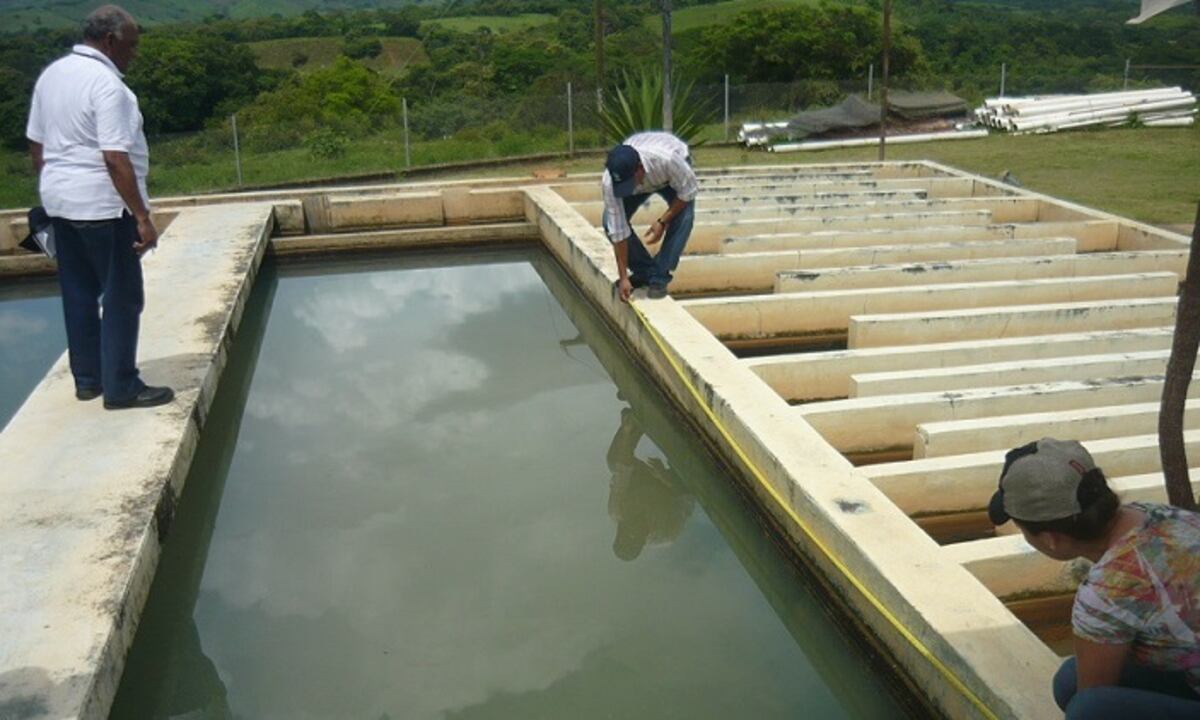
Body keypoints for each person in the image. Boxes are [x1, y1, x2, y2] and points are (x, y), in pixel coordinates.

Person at [987, 438, 1200, 719]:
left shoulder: (1106, 591)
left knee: (1089, 709)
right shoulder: (1155, 514)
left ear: (1051, 539)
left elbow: (1094, 696)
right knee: (1069, 679)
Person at [26, 5, 173, 409]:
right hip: (103, 209)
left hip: (61, 204)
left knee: (79, 293)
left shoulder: (53, 75)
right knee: (123, 296)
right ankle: (122, 386)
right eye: (131, 45)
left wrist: (56, 186)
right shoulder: (107, 85)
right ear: (110, 40)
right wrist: (142, 217)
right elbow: (114, 158)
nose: (134, 53)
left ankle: (88, 380)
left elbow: (37, 145)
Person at [601, 131, 698, 302]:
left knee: (684, 217)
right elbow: (617, 230)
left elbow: (687, 192)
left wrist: (662, 222)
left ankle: (660, 276)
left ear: (640, 168)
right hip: (649, 176)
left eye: (629, 184)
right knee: (608, 221)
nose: (628, 189)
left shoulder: (668, 160)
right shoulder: (610, 182)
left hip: (669, 176)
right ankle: (645, 272)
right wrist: (623, 277)